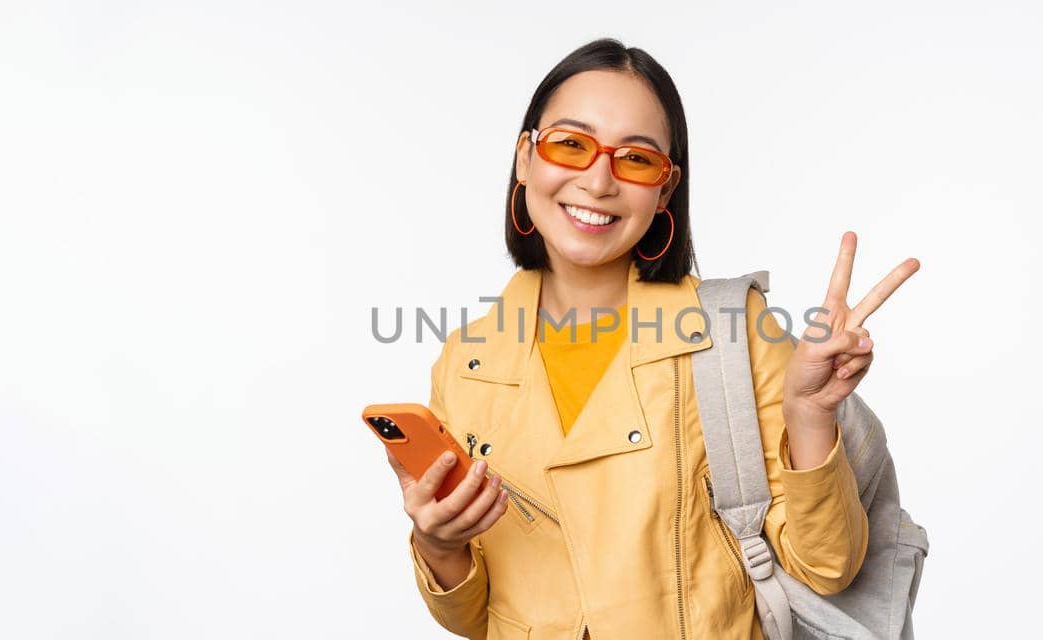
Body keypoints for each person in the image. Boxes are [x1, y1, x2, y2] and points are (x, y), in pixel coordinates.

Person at [384, 38, 920, 639]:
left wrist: (810, 412)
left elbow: (826, 569)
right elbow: (473, 618)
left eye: (636, 159)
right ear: (525, 159)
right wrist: (437, 542)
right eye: (570, 143)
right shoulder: (465, 362)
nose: (598, 180)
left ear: (664, 190)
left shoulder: (731, 334)